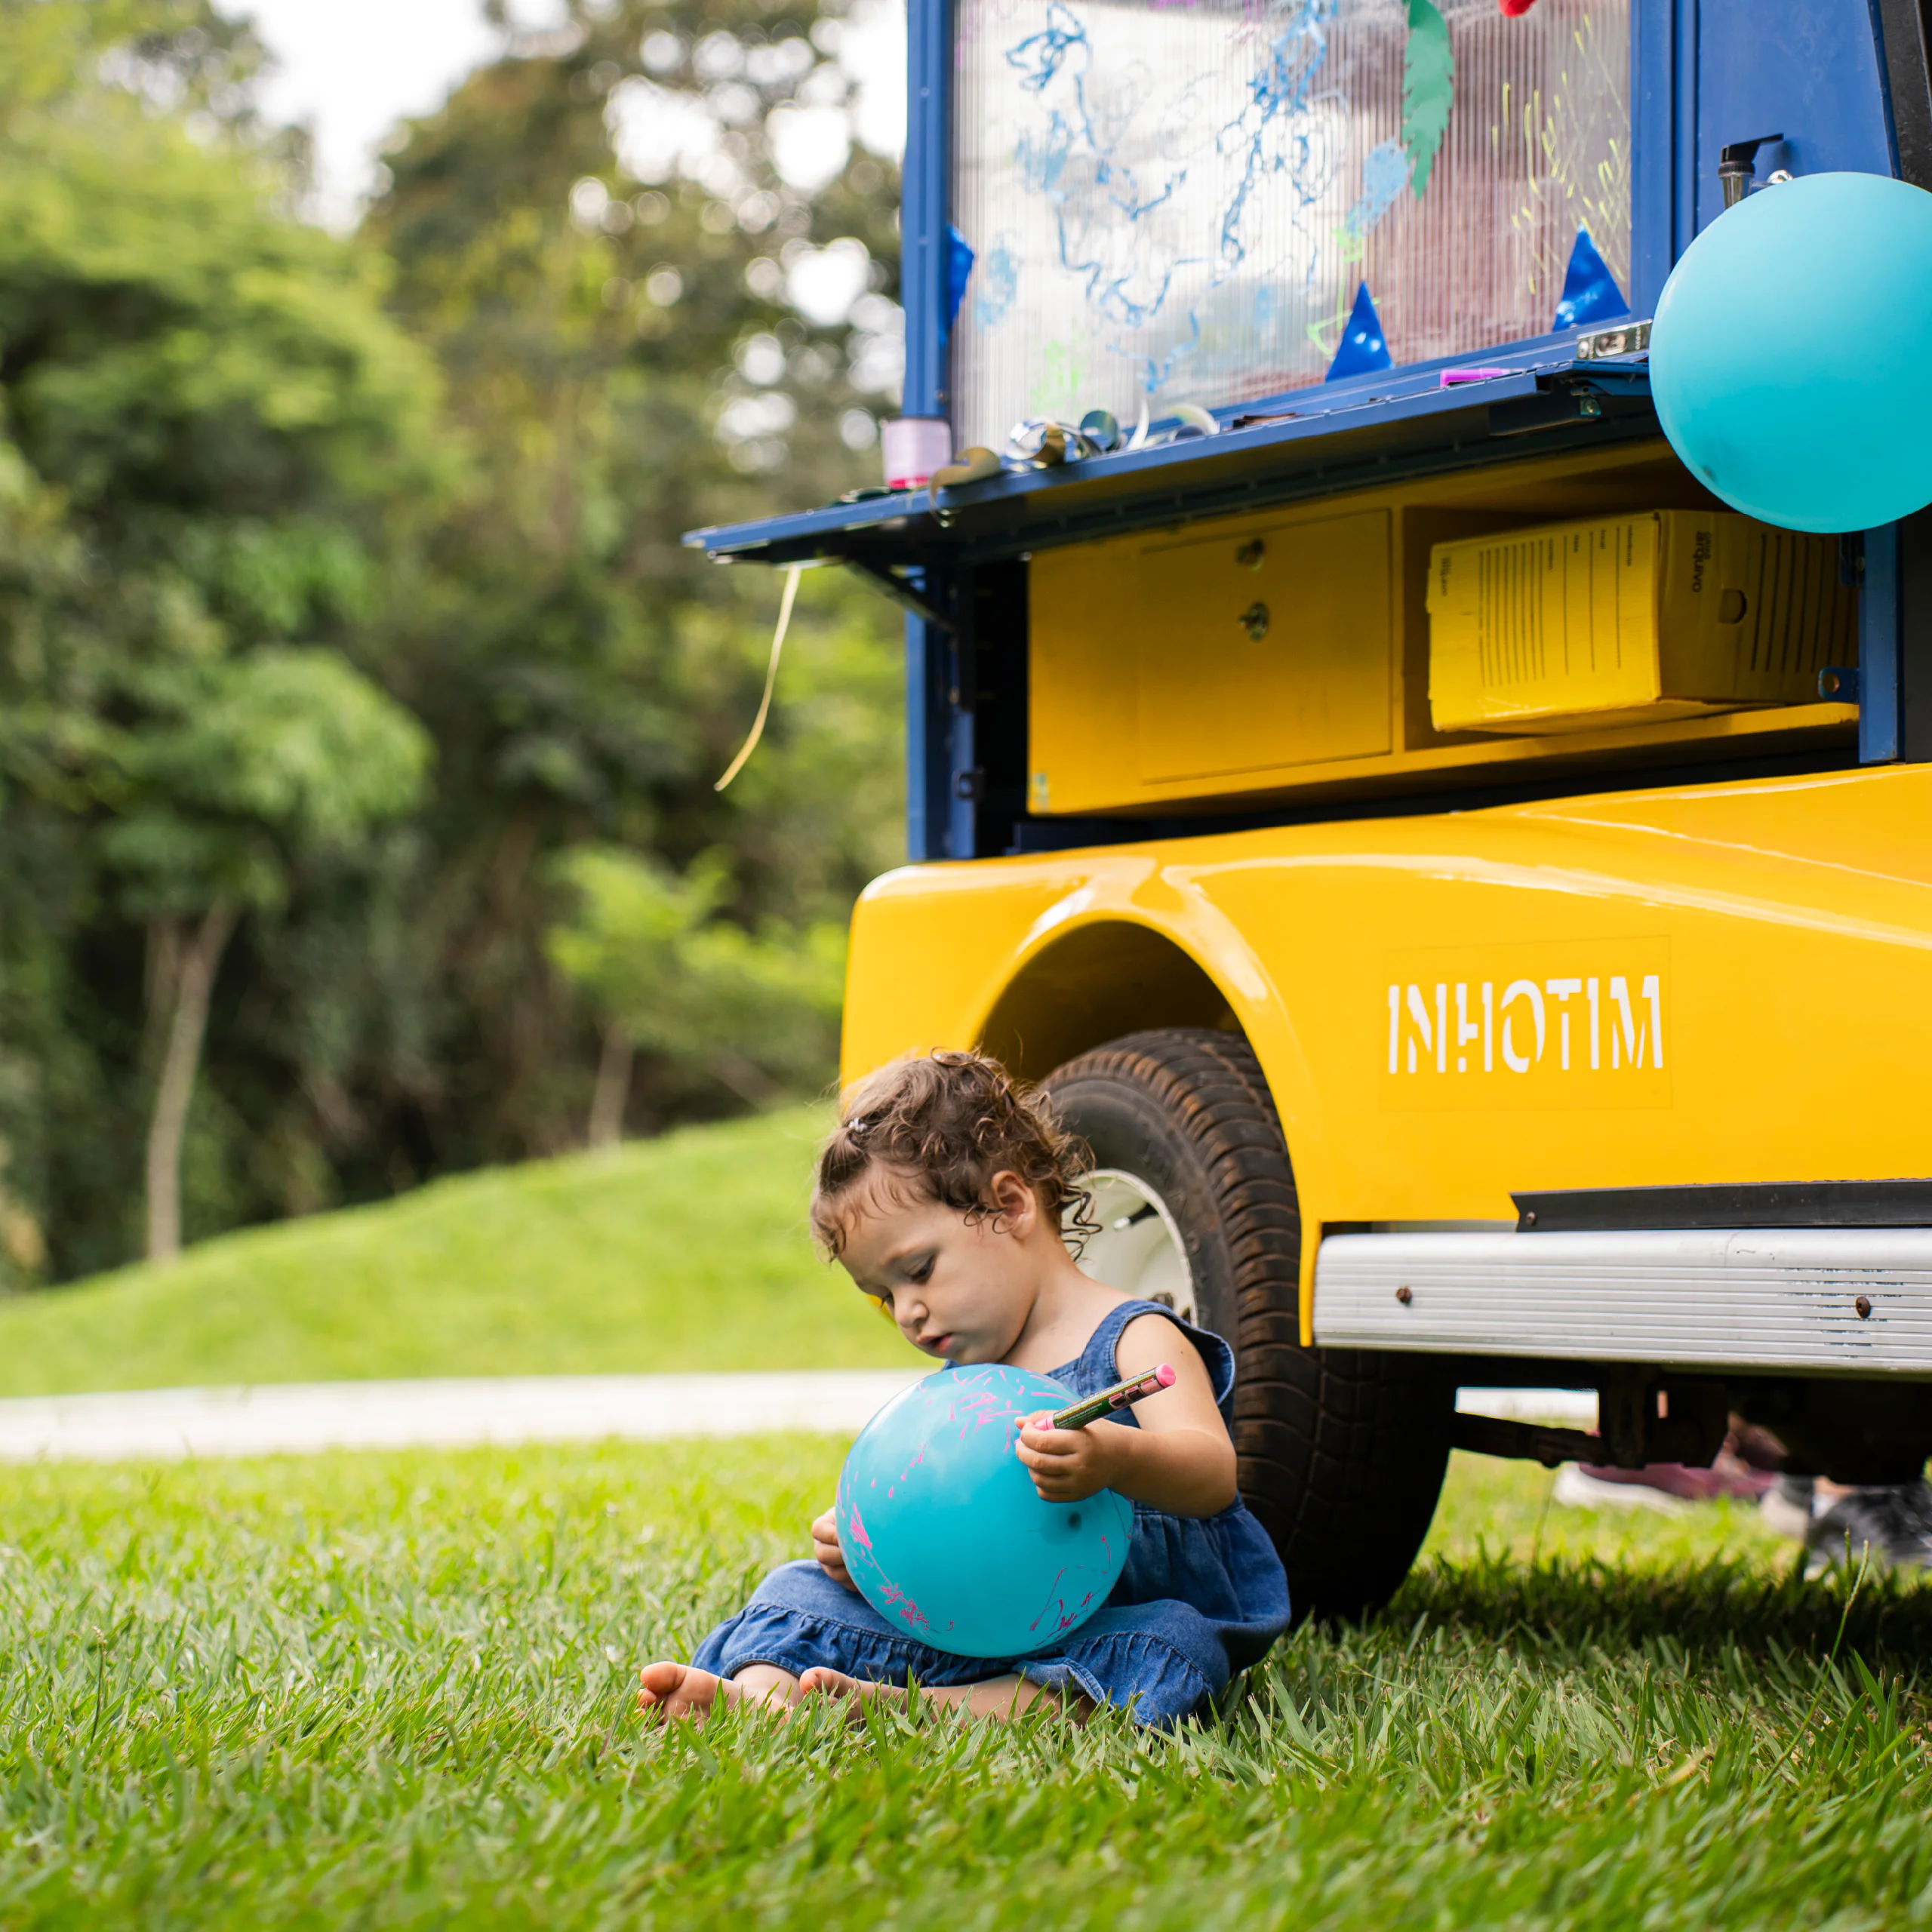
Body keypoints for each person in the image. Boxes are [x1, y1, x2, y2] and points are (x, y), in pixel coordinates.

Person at [637, 1048, 1291, 1730]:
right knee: (794, 1590)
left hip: (1115, 1615)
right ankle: (761, 1697)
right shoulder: (963, 1382)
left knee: (1167, 1646)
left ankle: (926, 1709)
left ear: (1010, 1205)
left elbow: (1213, 1474)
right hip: (978, 1620)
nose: (907, 1312)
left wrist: (1112, 1458)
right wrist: (872, 1550)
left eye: (918, 1270)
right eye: (884, 1295)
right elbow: (941, 1510)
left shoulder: (1134, 1337)